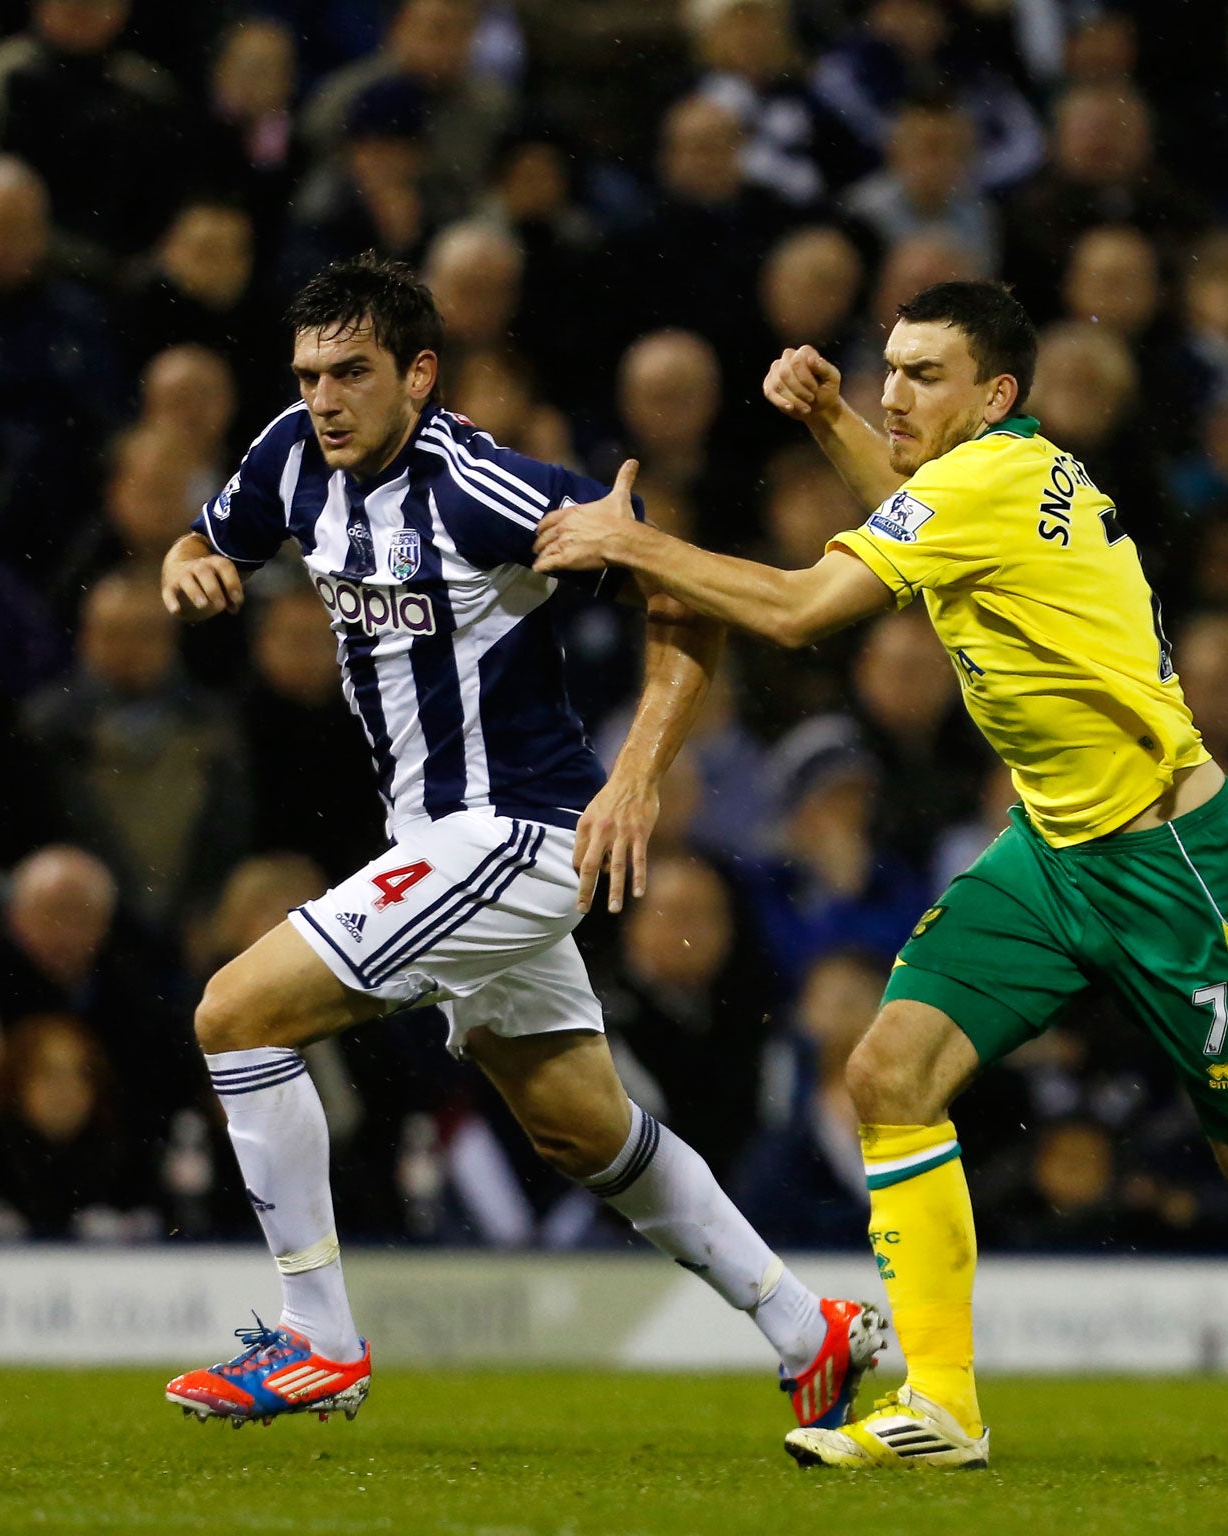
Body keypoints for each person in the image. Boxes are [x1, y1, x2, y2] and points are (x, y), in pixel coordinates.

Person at [534, 278, 1228, 1470]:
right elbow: (917, 518)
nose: (893, 391)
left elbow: (805, 609)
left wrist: (629, 539)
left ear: (994, 393)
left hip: (1173, 865)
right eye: (888, 366)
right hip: (1050, 853)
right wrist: (829, 423)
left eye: (923, 375)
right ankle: (943, 1409)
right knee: (885, 1069)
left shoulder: (988, 483)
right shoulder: (1002, 475)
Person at [156, 255, 880, 1431]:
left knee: (233, 1015)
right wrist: (192, 570)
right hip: (438, 839)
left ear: (418, 375)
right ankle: (808, 1329)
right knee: (578, 1128)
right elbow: (198, 542)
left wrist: (637, 777)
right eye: (307, 374)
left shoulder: (479, 487)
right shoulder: (289, 456)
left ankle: (316, 1340)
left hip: (517, 833)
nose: (323, 397)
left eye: (351, 372)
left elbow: (682, 595)